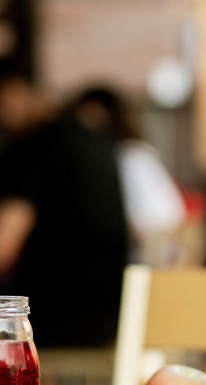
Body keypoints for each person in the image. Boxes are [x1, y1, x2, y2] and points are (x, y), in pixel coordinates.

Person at [0, 59, 129, 353]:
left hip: (54, 317)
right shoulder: (91, 138)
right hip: (107, 316)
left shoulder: (34, 146)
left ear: (7, 95)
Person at [69, 85, 187, 267]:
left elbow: (128, 219)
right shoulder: (137, 153)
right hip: (165, 248)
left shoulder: (125, 158)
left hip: (150, 254)